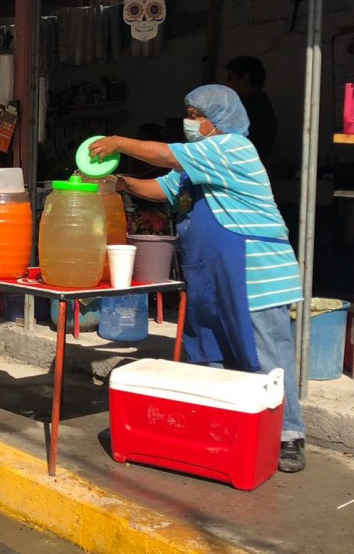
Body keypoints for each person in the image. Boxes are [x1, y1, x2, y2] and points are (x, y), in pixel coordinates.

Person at [89, 84, 307, 473]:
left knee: (265, 358)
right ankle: (227, 427)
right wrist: (119, 183)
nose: (188, 123)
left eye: (194, 116)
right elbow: (160, 189)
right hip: (211, 277)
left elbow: (162, 154)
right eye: (187, 115)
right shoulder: (194, 168)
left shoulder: (233, 148)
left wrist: (118, 141)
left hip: (254, 274)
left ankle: (288, 436)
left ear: (217, 120)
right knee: (212, 352)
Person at [226, 56, 278, 162]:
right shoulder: (257, 101)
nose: (228, 83)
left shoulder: (254, 106)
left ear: (245, 78)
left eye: (231, 78)